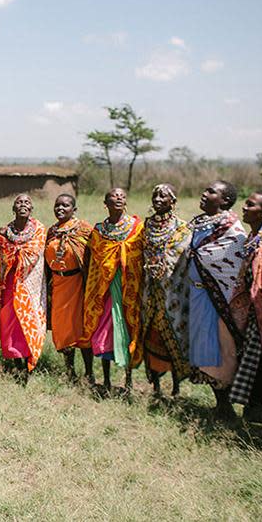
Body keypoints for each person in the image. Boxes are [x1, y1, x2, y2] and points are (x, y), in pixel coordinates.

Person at [187, 180, 246, 419]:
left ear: (225, 201)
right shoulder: (197, 223)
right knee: (206, 348)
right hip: (198, 294)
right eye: (205, 189)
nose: (204, 193)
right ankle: (220, 401)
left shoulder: (232, 228)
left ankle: (228, 403)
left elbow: (234, 265)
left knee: (224, 348)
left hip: (222, 298)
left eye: (211, 191)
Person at [83, 188, 144, 394]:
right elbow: (92, 262)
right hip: (104, 289)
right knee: (105, 331)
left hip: (129, 288)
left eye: (122, 196)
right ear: (105, 203)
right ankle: (107, 381)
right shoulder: (99, 230)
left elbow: (140, 256)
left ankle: (128, 380)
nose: (118, 198)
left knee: (126, 328)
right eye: (113, 197)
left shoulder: (137, 227)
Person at [228, 191, 262, 421]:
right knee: (250, 357)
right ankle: (254, 409)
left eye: (250, 205)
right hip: (252, 311)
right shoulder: (253, 237)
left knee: (261, 360)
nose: (244, 207)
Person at [140, 184, 193, 397]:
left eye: (163, 196)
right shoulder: (147, 225)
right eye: (155, 195)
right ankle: (156, 386)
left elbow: (181, 254)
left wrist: (162, 265)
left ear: (173, 201)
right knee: (152, 336)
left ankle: (176, 386)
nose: (158, 199)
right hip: (151, 291)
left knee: (172, 334)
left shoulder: (181, 227)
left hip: (172, 292)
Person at [45, 194, 95, 383]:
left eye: (65, 205)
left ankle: (89, 373)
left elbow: (93, 254)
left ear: (74, 209)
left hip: (78, 285)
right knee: (63, 329)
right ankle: (70, 371)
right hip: (58, 285)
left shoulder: (84, 230)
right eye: (57, 205)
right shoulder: (52, 231)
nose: (60, 209)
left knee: (81, 329)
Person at [0, 194, 47, 381]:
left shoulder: (40, 230)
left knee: (29, 322)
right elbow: (2, 258)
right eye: (19, 202)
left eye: (27, 202)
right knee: (11, 324)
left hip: (30, 285)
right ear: (13, 208)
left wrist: (17, 252)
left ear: (31, 208)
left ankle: (28, 362)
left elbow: (33, 255)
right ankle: (16, 363)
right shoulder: (4, 233)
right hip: (10, 283)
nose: (23, 205)